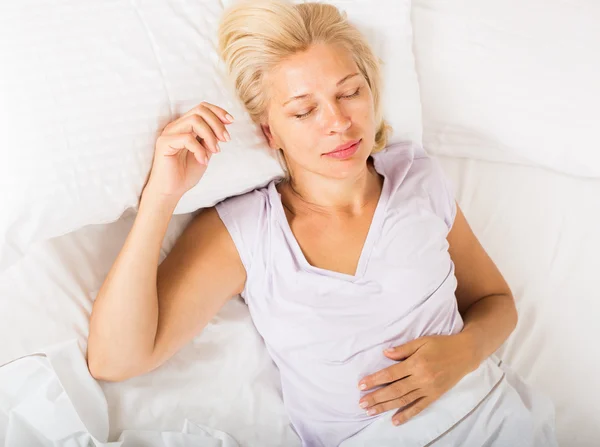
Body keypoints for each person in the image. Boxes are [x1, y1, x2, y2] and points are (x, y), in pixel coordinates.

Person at [86, 1, 558, 446]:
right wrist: (161, 198)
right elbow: (114, 360)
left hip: (492, 418)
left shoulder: (415, 176)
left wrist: (464, 353)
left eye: (350, 92)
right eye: (304, 110)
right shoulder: (247, 232)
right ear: (271, 132)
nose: (338, 122)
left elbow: (496, 303)